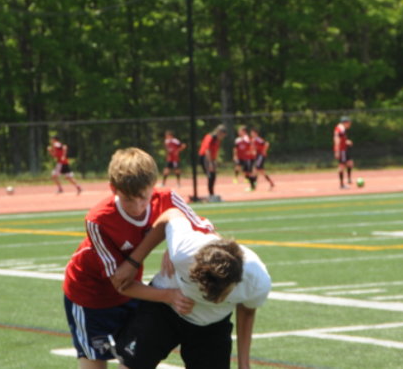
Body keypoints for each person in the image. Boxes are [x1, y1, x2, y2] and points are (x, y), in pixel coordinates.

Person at [62, 147, 214, 369]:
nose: (137, 207)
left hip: (132, 293)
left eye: (143, 197)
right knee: (94, 361)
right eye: (128, 199)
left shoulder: (167, 198)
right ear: (113, 189)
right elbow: (120, 282)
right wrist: (169, 296)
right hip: (91, 297)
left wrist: (176, 247)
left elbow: (207, 230)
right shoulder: (98, 220)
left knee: (134, 359)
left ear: (153, 185)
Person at [111, 208, 272, 369]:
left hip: (212, 324)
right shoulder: (184, 252)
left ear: (236, 281)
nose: (209, 299)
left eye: (218, 296)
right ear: (193, 270)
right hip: (164, 309)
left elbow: (247, 312)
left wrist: (244, 364)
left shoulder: (257, 281)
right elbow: (171, 214)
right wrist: (134, 261)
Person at [198, 124, 227, 201]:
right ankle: (211, 195)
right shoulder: (210, 137)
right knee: (210, 175)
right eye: (222, 135)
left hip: (211, 159)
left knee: (213, 175)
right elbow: (207, 150)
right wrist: (210, 163)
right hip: (205, 157)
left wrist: (214, 161)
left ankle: (212, 194)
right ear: (219, 132)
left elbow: (215, 151)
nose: (223, 137)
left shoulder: (217, 140)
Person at [233, 125, 257, 192]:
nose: (239, 132)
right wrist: (235, 155)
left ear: (244, 132)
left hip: (249, 158)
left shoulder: (247, 139)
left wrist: (252, 151)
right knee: (245, 172)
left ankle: (253, 185)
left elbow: (252, 146)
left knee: (249, 172)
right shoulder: (238, 140)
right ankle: (253, 183)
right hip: (244, 158)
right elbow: (235, 148)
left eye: (240, 131)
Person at [333, 116, 354, 189]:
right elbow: (337, 138)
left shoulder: (342, 128)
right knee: (342, 166)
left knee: (350, 163)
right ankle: (342, 185)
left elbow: (341, 139)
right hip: (341, 150)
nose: (350, 124)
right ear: (345, 122)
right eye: (349, 122)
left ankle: (349, 180)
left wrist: (346, 142)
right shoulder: (340, 128)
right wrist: (337, 150)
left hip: (344, 149)